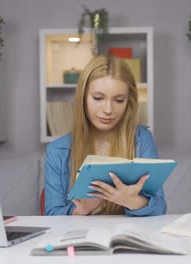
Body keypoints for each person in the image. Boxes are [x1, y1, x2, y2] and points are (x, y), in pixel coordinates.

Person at [44, 55, 166, 216]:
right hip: (79, 237)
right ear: (83, 98)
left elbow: (160, 207)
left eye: (119, 100)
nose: (108, 109)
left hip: (127, 237)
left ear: (128, 101)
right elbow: (51, 214)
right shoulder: (58, 150)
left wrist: (132, 201)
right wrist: (80, 210)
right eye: (98, 98)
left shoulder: (142, 139)